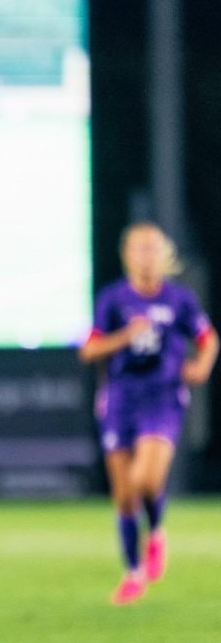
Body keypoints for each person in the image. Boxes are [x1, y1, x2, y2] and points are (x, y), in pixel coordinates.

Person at [79, 222, 217, 605]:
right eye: (139, 248)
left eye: (152, 248)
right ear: (127, 254)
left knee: (146, 478)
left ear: (164, 255)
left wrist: (201, 366)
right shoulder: (113, 299)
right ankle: (133, 573)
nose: (146, 256)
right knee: (124, 496)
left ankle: (155, 530)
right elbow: (89, 351)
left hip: (163, 396)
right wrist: (125, 336)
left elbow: (207, 339)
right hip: (121, 398)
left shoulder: (179, 300)